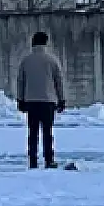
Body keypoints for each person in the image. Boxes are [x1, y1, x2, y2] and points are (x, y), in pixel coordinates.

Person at [15, 31, 66, 169]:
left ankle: (33, 160)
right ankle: (49, 160)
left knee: (32, 133)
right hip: (48, 101)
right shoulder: (52, 60)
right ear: (46, 43)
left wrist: (20, 99)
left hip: (31, 101)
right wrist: (61, 99)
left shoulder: (26, 61)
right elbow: (58, 81)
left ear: (33, 43)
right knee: (47, 132)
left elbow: (21, 81)